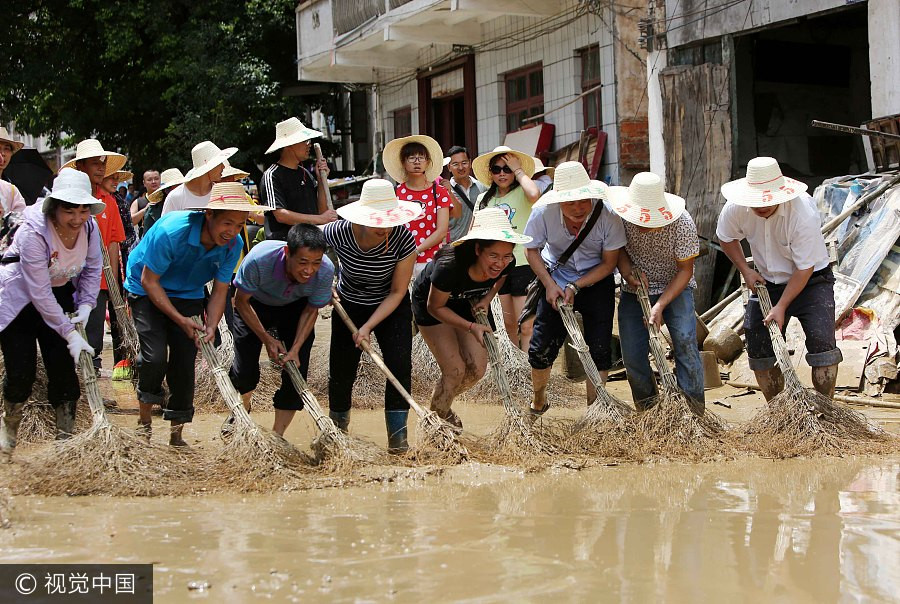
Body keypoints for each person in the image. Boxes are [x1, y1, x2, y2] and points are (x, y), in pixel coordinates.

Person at [125, 182, 257, 446]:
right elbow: (150, 281)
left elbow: (220, 290)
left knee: (185, 363)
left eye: (239, 224)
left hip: (188, 293)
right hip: (146, 287)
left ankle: (177, 434)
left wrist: (212, 326)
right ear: (209, 214)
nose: (231, 231)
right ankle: (145, 420)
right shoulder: (172, 231)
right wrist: (180, 320)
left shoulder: (233, 245)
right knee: (154, 357)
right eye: (227, 223)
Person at [716, 156, 841, 400]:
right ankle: (777, 410)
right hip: (767, 283)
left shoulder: (802, 213)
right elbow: (726, 237)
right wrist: (746, 270)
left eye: (768, 201)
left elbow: (805, 269)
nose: (761, 207)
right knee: (759, 346)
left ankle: (826, 407)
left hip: (812, 281)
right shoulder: (735, 208)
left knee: (822, 344)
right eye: (756, 202)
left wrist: (781, 306)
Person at [0, 169, 102, 458]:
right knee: (21, 373)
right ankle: (8, 437)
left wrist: (86, 304)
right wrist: (69, 332)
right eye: (69, 211)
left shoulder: (90, 227)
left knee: (64, 372)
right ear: (54, 207)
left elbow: (93, 267)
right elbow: (39, 292)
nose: (77, 219)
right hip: (18, 299)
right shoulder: (33, 231)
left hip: (58, 291)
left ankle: (64, 445)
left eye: (83, 210)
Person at [322, 179, 420, 452]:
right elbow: (305, 243)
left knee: (399, 367)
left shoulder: (403, 238)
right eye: (378, 222)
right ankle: (338, 435)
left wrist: (367, 327)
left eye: (389, 222)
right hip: (349, 303)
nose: (385, 229)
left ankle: (398, 441)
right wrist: (322, 281)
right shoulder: (339, 231)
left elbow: (398, 292)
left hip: (390, 306)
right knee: (341, 371)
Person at [412, 207, 530, 430]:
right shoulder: (449, 266)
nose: (500, 263)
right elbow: (435, 306)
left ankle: (440, 404)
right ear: (477, 249)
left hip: (465, 301)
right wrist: (470, 326)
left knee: (477, 369)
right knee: (454, 370)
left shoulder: (509, 262)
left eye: (506, 256)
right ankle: (437, 426)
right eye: (493, 256)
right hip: (432, 304)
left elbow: (501, 278)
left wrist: (487, 299)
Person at [523, 161, 626, 414]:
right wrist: (549, 285)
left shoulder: (608, 215)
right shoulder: (543, 212)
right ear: (559, 200)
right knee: (541, 348)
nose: (578, 208)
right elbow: (531, 250)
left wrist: (576, 286)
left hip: (596, 279)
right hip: (555, 279)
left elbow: (609, 263)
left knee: (599, 348)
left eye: (583, 200)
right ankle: (539, 400)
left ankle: (594, 410)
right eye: (570, 202)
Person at [610, 172, 705, 411]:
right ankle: (649, 412)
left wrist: (660, 305)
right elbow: (618, 250)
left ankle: (693, 412)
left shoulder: (682, 224)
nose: (643, 224)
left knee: (685, 345)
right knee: (632, 355)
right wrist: (628, 273)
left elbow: (685, 270)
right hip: (635, 289)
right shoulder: (619, 218)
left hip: (675, 287)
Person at [226, 223, 329, 437]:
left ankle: (277, 436)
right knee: (244, 370)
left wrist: (296, 349)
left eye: (315, 263)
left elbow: (311, 311)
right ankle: (243, 408)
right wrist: (266, 339)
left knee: (296, 373)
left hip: (296, 307)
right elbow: (241, 301)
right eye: (303, 262)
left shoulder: (326, 270)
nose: (309, 270)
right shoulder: (259, 260)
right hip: (255, 304)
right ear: (287, 252)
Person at [65, 140, 128, 375]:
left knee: (93, 336)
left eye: (103, 164)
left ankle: (91, 380)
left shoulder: (108, 202)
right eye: (95, 163)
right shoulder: (66, 199)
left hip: (98, 280)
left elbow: (113, 244)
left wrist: (113, 284)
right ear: (81, 166)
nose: (101, 168)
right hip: (67, 278)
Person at [473, 146, 541, 352]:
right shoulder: (484, 199)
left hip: (523, 263)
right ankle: (515, 365)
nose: (502, 173)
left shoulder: (523, 192)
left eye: (507, 169)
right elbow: (474, 231)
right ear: (490, 173)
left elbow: (535, 193)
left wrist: (518, 170)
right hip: (495, 267)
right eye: (497, 169)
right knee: (508, 325)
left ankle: (528, 366)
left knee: (526, 325)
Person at [383, 134, 451, 278]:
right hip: (399, 260)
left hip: (431, 260)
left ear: (428, 162)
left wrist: (416, 251)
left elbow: (441, 231)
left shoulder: (439, 192)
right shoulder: (395, 193)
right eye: (412, 158)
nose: (417, 162)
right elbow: (389, 229)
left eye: (421, 158)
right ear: (403, 162)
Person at [261, 117, 337, 240]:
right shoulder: (272, 175)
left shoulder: (306, 174)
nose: (309, 144)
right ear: (289, 145)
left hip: (310, 242)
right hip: (284, 244)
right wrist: (320, 219)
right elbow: (281, 215)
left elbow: (321, 210)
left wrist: (321, 180)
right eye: (304, 141)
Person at [162, 140, 236, 215]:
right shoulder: (175, 197)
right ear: (210, 167)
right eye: (219, 163)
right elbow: (166, 222)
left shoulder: (221, 194)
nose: (223, 167)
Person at [445, 145, 487, 243]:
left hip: (479, 245)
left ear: (470, 163)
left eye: (464, 163)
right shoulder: (445, 191)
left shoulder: (482, 187)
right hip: (455, 246)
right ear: (449, 167)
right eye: (455, 164)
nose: (460, 167)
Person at [143, 168, 185, 234]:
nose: (174, 192)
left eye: (179, 187)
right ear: (164, 191)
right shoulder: (152, 211)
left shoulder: (195, 205)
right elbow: (148, 237)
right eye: (169, 188)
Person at [0, 127, 26, 215]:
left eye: (6, 149)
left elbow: (20, 219)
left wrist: (5, 218)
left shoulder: (11, 190)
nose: (2, 153)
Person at [130, 169, 161, 234]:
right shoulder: (139, 202)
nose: (153, 182)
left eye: (156, 179)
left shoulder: (167, 198)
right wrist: (145, 210)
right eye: (149, 180)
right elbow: (130, 221)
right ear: (144, 183)